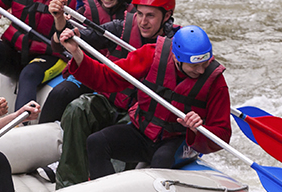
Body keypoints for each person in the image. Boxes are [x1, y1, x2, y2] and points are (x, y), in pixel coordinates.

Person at [49, 0, 181, 188]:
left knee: (129, 128)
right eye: (140, 14)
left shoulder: (178, 45)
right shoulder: (119, 28)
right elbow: (68, 40)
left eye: (151, 16)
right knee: (77, 109)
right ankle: (68, 183)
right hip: (111, 102)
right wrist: (60, 21)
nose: (143, 22)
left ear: (166, 16)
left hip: (142, 113)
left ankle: (113, 191)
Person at [58, 24, 231, 181]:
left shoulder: (216, 82)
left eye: (204, 63)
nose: (201, 70)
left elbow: (222, 134)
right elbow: (107, 78)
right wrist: (77, 53)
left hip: (178, 140)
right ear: (177, 58)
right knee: (96, 142)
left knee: (161, 160)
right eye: (194, 66)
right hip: (142, 132)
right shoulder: (150, 55)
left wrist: (197, 128)